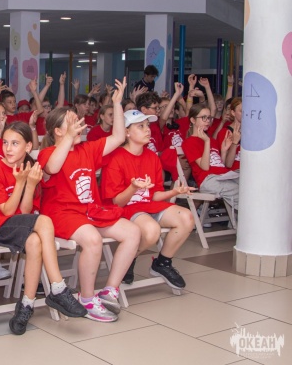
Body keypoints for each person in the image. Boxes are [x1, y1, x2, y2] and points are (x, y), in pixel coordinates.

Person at [38, 77, 140, 322]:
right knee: (93, 239)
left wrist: (117, 104)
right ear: (58, 131)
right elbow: (53, 167)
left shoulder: (87, 149)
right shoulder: (47, 153)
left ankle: (110, 290)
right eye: (72, 123)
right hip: (61, 214)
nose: (80, 126)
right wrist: (67, 139)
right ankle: (86, 298)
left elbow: (118, 137)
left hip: (89, 211)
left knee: (132, 232)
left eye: (79, 122)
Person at [0, 122, 87, 334]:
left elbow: (25, 211)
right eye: (5, 143)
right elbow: (7, 212)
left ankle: (26, 305)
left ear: (28, 146)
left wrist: (29, 184)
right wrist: (20, 183)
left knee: (35, 241)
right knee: (45, 221)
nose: (8, 148)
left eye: (15, 143)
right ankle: (58, 287)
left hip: (20, 225)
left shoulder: (32, 168)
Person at [101, 110, 196, 288]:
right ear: (127, 132)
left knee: (187, 217)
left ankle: (162, 263)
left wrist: (174, 192)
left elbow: (155, 195)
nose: (147, 129)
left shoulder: (152, 157)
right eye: (141, 126)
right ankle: (128, 258)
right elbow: (116, 202)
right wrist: (133, 188)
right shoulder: (115, 158)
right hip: (124, 208)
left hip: (148, 205)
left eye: (147, 125)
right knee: (152, 231)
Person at [181, 103, 238, 210]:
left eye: (209, 118)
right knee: (240, 191)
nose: (207, 121)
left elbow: (220, 165)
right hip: (208, 180)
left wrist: (224, 151)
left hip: (223, 176)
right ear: (193, 120)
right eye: (204, 118)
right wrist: (207, 142)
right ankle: (250, 217)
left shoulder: (212, 140)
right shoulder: (189, 142)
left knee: (248, 182)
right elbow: (205, 167)